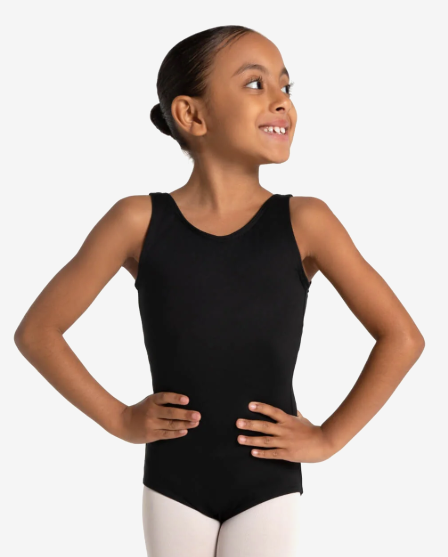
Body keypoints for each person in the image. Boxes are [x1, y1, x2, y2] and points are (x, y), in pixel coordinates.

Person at [14, 25, 425, 557]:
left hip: (268, 482)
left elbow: (402, 337)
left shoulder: (306, 221)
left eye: (286, 86)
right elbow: (38, 332)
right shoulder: (137, 220)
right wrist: (119, 418)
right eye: (255, 84)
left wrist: (328, 438)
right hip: (174, 481)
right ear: (192, 115)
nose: (281, 100)